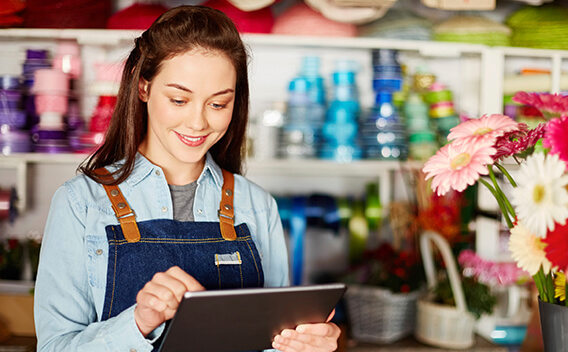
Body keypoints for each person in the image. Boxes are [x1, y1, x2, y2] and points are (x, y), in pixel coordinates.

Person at [34, 5, 340, 352]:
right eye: (179, 100)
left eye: (218, 104)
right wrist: (138, 323)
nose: (198, 123)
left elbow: (270, 342)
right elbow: (55, 347)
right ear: (143, 86)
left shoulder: (255, 205)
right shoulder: (81, 203)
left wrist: (304, 345)